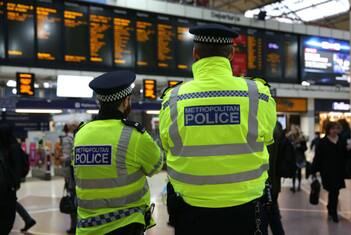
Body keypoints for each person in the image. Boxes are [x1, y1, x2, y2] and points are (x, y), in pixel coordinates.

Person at [159, 24, 276, 235]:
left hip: (191, 210)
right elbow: (267, 136)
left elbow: (167, 144)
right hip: (246, 208)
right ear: (231, 54)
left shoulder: (173, 99)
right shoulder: (257, 93)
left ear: (195, 53)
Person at [72, 70, 163, 235]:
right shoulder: (134, 135)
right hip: (125, 225)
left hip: (86, 227)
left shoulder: (81, 134)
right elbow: (156, 166)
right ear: (125, 101)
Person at [312, 121, 349, 223]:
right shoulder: (322, 142)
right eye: (332, 129)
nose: (334, 131)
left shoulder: (342, 140)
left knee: (335, 191)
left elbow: (345, 156)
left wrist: (349, 150)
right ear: (328, 130)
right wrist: (313, 170)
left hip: (338, 170)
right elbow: (318, 157)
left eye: (336, 129)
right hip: (327, 171)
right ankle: (331, 209)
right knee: (332, 190)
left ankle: (333, 211)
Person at [0, 124, 30, 234]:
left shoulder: (6, 148)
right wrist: (15, 183)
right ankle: (28, 220)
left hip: (6, 190)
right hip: (9, 191)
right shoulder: (14, 146)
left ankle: (28, 220)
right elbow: (21, 168)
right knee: (6, 222)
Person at [267, 121, 285, 235]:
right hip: (274, 181)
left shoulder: (265, 126)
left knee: (267, 216)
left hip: (265, 181)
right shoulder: (277, 126)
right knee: (273, 214)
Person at [60, 124, 77, 234]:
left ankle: (73, 226)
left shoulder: (67, 139)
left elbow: (66, 159)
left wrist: (66, 177)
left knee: (72, 202)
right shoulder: (82, 138)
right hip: (83, 178)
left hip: (72, 178)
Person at [287, 125, 307, 192]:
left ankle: (299, 186)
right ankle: (293, 186)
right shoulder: (290, 137)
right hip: (293, 157)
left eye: (294, 129)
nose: (293, 131)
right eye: (292, 129)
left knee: (299, 172)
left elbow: (305, 148)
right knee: (293, 172)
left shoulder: (301, 138)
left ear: (297, 130)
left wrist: (299, 146)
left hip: (300, 157)